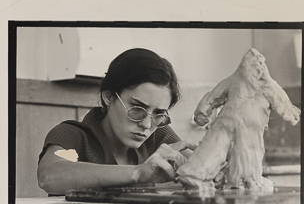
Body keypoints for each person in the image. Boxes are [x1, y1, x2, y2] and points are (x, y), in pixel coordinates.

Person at [37, 48, 197, 195]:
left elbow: (201, 167)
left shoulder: (158, 135)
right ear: (109, 97)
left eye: (159, 113)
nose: (147, 125)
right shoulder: (74, 136)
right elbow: (49, 176)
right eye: (137, 108)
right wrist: (138, 173)